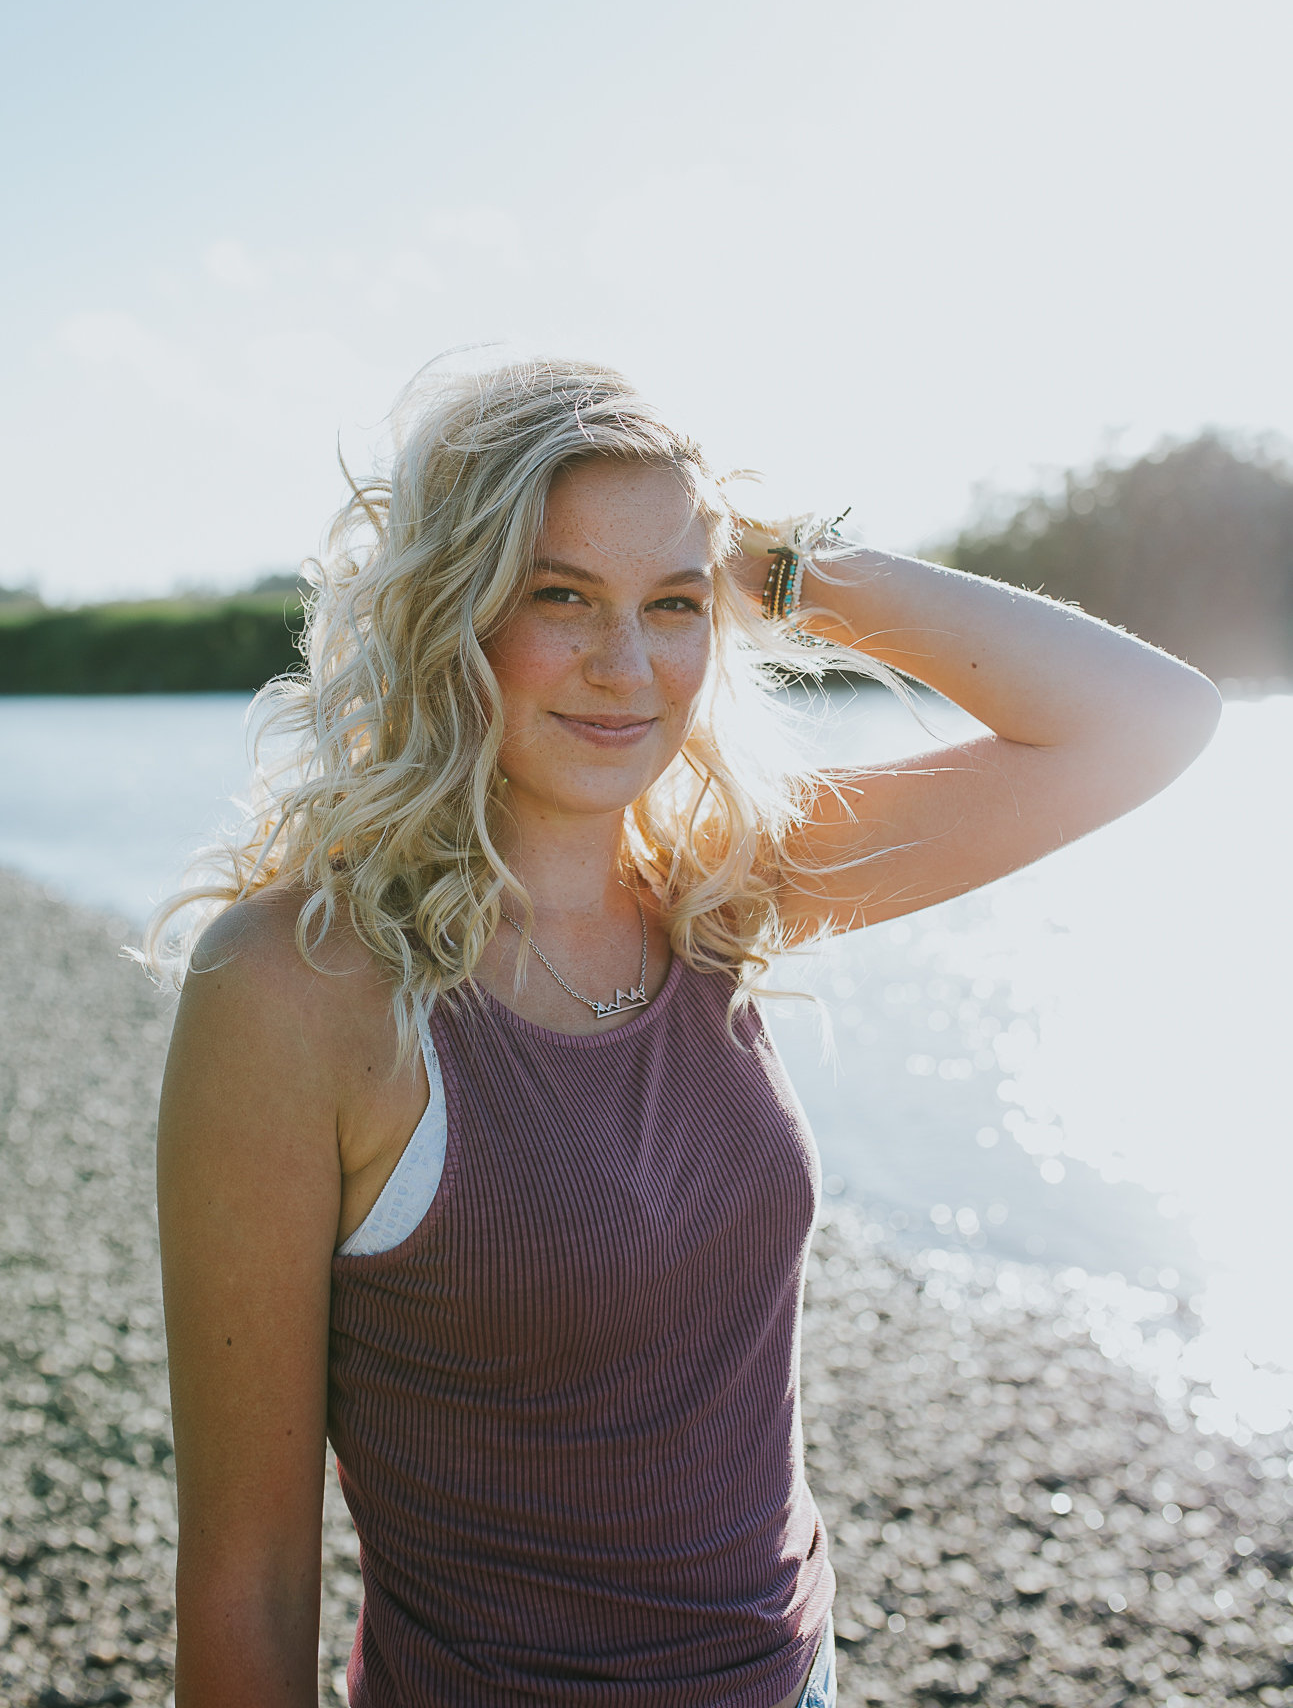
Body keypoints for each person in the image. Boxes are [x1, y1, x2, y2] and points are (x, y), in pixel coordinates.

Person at [153, 357, 1219, 1708]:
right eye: (558, 595)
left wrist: (783, 569)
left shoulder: (717, 892)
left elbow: (1148, 721)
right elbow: (246, 1578)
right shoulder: (293, 993)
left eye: (670, 603)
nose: (624, 665)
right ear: (450, 613)